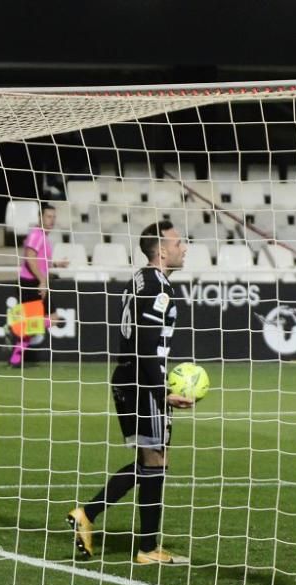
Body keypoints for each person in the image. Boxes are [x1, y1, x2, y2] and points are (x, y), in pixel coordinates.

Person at [67, 221, 194, 565]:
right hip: (142, 381)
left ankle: (89, 515)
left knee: (151, 461)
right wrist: (162, 392)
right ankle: (145, 547)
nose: (184, 248)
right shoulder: (159, 288)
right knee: (156, 460)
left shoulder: (140, 279)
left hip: (128, 378)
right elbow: (146, 345)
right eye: (179, 242)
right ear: (162, 250)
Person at [7, 202, 68, 368]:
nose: (51, 220)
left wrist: (55, 264)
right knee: (52, 319)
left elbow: (41, 261)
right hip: (31, 282)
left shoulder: (43, 236)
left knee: (37, 323)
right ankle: (15, 327)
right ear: (40, 217)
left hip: (35, 280)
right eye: (48, 216)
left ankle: (15, 359)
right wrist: (42, 280)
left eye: (54, 217)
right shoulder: (36, 235)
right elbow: (30, 258)